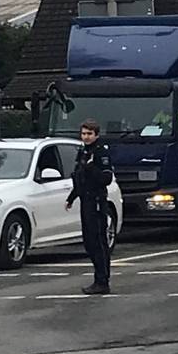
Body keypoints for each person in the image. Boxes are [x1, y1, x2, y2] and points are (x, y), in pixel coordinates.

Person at [68, 120, 116, 294]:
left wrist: (91, 169)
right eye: (83, 134)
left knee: (98, 241)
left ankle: (102, 281)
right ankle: (99, 278)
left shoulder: (100, 153)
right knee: (89, 242)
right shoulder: (83, 151)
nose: (86, 137)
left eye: (89, 134)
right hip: (85, 200)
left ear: (96, 135)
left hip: (96, 200)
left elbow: (106, 179)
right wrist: (72, 197)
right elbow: (79, 177)